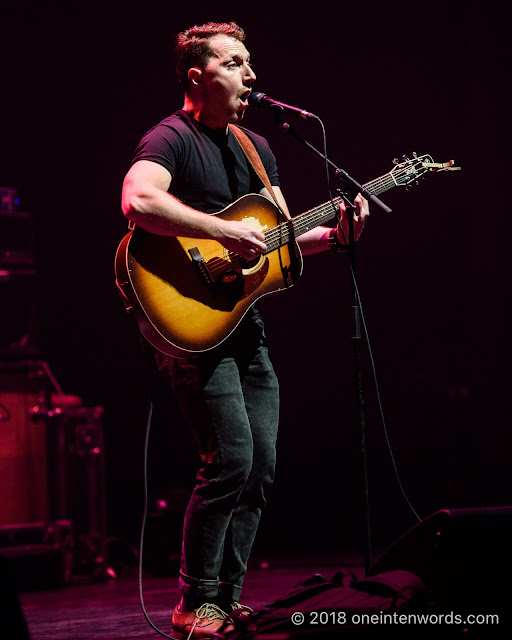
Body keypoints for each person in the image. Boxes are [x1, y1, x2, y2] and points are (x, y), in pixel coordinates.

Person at [121, 21, 369, 640]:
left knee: (260, 466)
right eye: (235, 63)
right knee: (230, 460)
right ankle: (193, 602)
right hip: (190, 322)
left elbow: (283, 241)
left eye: (249, 62)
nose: (251, 76)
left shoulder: (258, 147)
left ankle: (225, 601)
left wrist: (338, 234)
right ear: (196, 77)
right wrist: (222, 229)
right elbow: (139, 203)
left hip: (243, 323)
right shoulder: (170, 137)